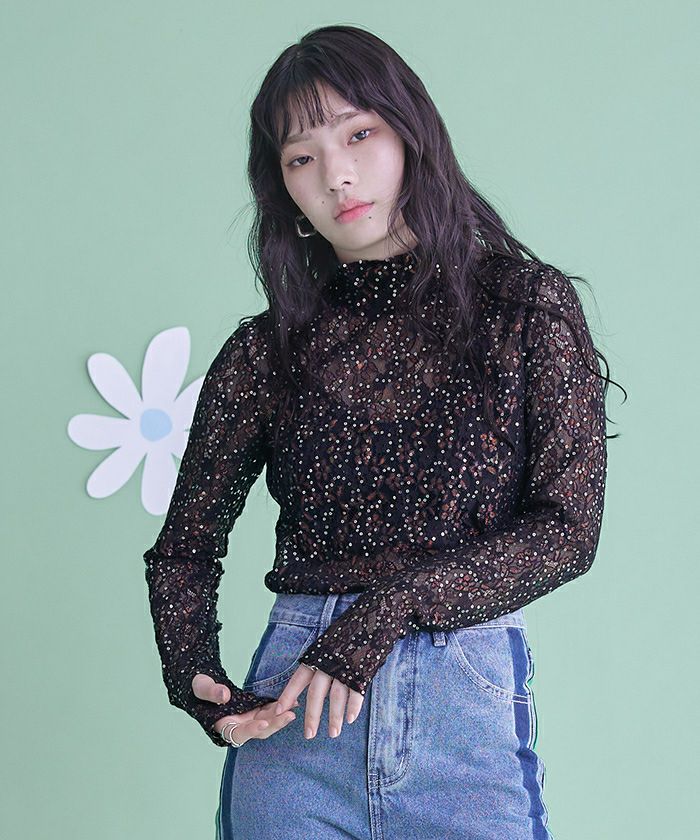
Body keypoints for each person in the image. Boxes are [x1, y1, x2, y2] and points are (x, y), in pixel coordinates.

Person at [143, 24, 622, 840]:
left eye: (359, 134)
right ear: (284, 189)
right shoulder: (265, 351)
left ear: (411, 134)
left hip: (461, 715)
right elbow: (184, 549)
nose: (336, 174)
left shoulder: (525, 307)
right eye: (301, 157)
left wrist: (387, 611)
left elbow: (568, 529)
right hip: (295, 725)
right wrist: (198, 681)